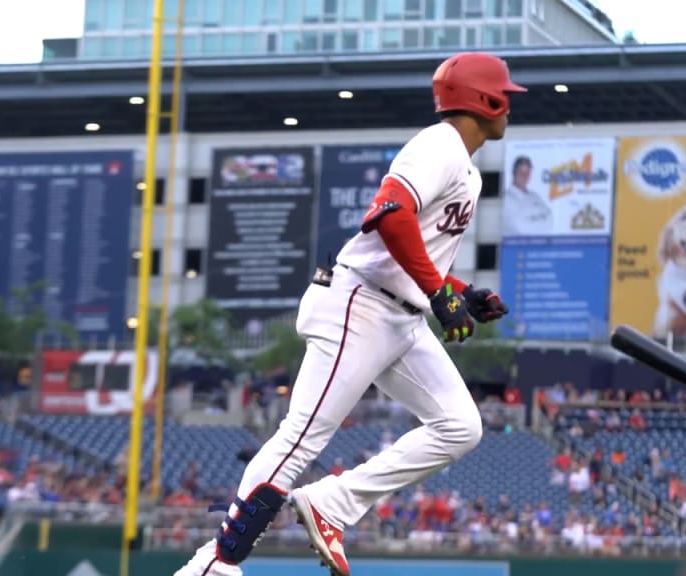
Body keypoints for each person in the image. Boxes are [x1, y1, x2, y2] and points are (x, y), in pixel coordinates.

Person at [175, 52, 525, 576]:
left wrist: (458, 292)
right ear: (486, 100)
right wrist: (438, 293)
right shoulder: (440, 145)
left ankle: (332, 504)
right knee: (299, 439)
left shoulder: (464, 167)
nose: (510, 107)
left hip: (398, 315)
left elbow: (410, 248)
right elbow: (387, 214)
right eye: (505, 97)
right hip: (360, 306)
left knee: (459, 425)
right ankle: (214, 566)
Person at [502, 155, 552, 236]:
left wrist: (531, 219)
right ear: (514, 173)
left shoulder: (534, 196)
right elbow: (521, 228)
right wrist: (540, 218)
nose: (525, 176)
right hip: (515, 247)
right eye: (521, 172)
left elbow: (550, 221)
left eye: (527, 172)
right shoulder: (506, 199)